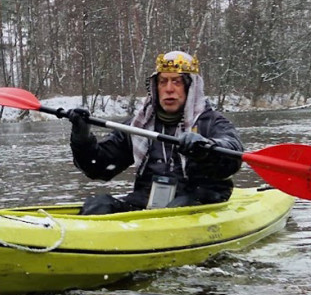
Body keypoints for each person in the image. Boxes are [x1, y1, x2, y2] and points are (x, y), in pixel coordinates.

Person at [67, 50, 244, 215]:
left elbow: (232, 151)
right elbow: (98, 168)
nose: (169, 89)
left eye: (177, 81)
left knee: (177, 210)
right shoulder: (138, 125)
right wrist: (81, 137)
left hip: (201, 200)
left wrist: (205, 149)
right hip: (148, 199)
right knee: (98, 205)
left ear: (191, 88)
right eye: (163, 81)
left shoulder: (212, 121)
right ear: (155, 86)